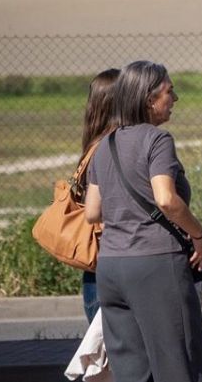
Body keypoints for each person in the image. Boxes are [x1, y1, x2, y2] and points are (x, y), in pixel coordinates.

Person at [84, 60, 202, 382]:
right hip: (156, 263)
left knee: (131, 371)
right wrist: (198, 234)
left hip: (112, 267)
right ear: (148, 99)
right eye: (169, 91)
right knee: (177, 364)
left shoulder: (104, 145)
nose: (175, 98)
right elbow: (166, 198)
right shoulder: (157, 140)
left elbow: (92, 212)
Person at [76, 68, 119, 323]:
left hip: (95, 267)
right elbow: (94, 211)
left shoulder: (93, 145)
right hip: (107, 260)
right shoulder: (108, 148)